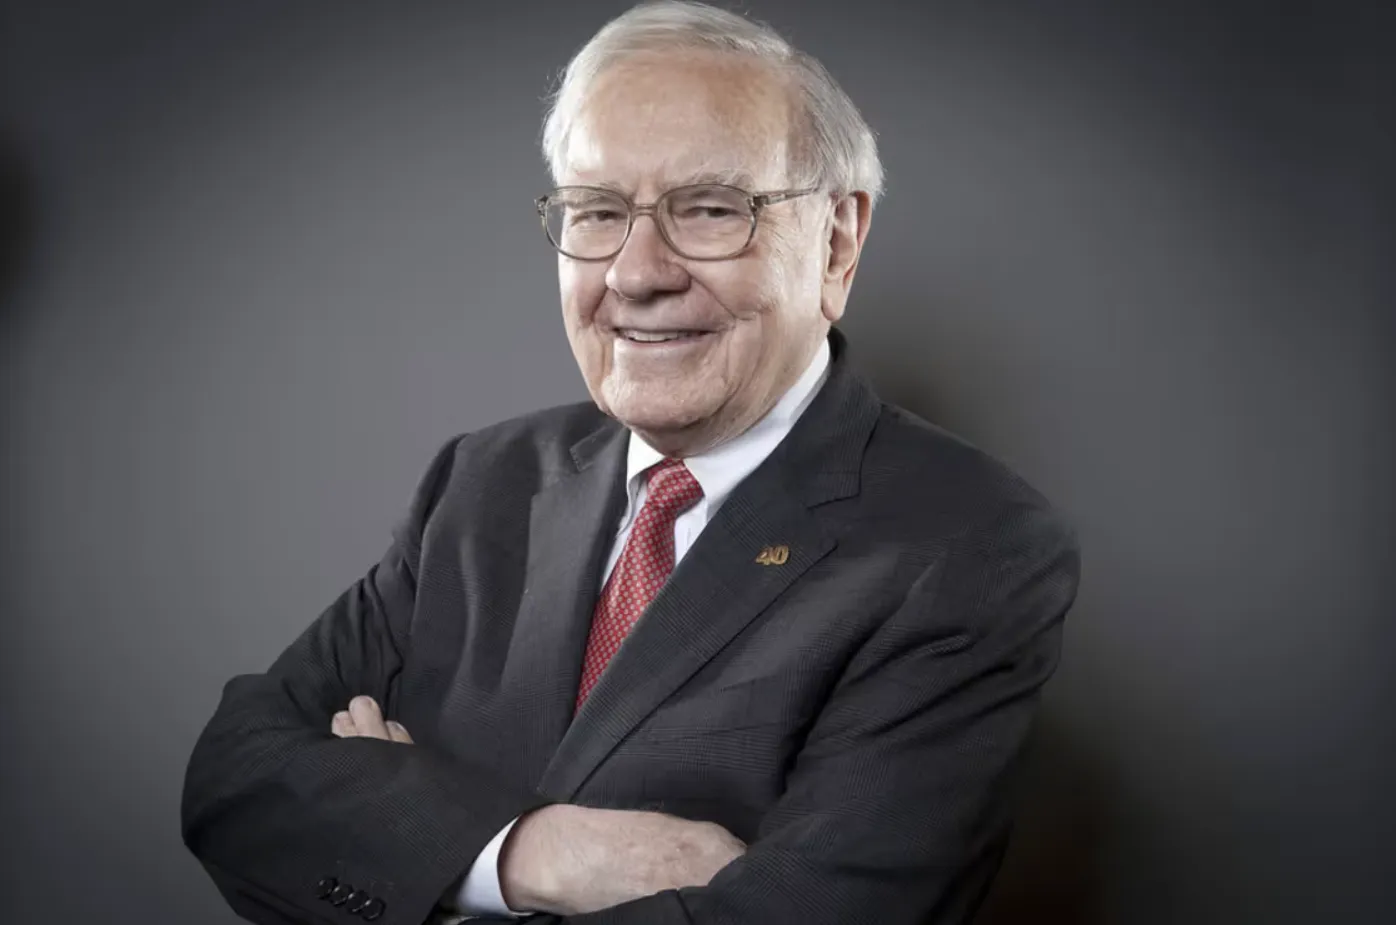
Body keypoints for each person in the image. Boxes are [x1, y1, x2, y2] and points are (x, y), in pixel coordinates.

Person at [180, 2, 1080, 923]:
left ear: (838, 242)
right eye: (598, 211)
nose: (636, 272)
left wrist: (408, 833)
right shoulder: (483, 483)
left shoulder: (967, 546)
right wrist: (534, 853)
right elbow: (233, 779)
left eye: (709, 208)